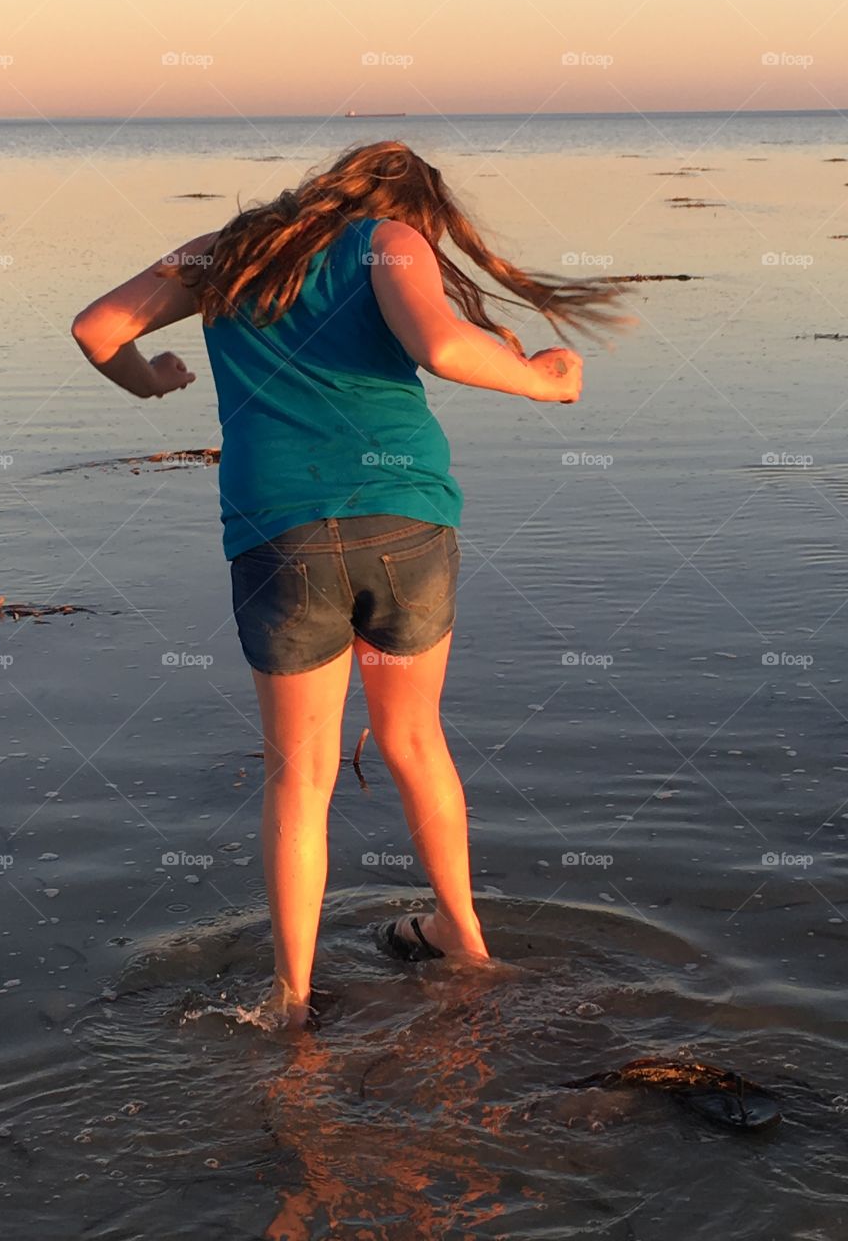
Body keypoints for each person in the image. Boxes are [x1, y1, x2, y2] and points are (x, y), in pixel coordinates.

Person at [71, 140, 633, 1029]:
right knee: (414, 741)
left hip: (278, 532)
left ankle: (290, 1002)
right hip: (403, 522)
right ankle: (462, 937)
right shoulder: (387, 238)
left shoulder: (225, 251)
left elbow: (98, 329)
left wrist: (149, 382)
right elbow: (443, 345)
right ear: (414, 206)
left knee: (299, 776)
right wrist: (541, 382)